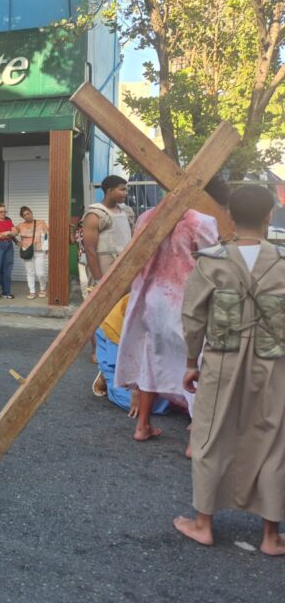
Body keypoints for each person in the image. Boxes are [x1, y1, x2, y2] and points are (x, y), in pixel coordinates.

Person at [174, 184, 285, 556]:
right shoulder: (283, 261)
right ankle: (271, 536)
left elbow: (193, 317)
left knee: (209, 436)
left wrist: (192, 362)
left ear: (230, 217)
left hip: (223, 360)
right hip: (274, 363)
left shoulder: (212, 260)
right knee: (274, 444)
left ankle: (203, 524)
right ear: (270, 215)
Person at [115, 179, 226, 443]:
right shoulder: (201, 221)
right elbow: (212, 265)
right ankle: (194, 439)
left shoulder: (146, 217)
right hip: (186, 301)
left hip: (151, 300)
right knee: (196, 364)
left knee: (151, 359)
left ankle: (142, 426)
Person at [82, 175, 135, 290]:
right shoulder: (95, 215)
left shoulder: (126, 212)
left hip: (124, 267)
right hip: (104, 268)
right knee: (104, 306)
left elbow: (132, 239)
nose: (126, 193)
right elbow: (90, 251)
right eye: (122, 189)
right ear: (109, 191)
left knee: (124, 304)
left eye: (126, 189)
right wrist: (98, 280)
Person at [17, 206, 50, 300]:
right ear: (22, 217)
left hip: (39, 250)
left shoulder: (40, 222)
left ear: (31, 212)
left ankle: (42, 289)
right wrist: (16, 242)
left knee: (40, 273)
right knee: (30, 272)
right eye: (24, 215)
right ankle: (32, 291)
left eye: (28, 213)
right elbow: (13, 233)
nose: (27, 216)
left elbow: (47, 235)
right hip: (27, 251)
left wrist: (47, 247)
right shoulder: (21, 225)